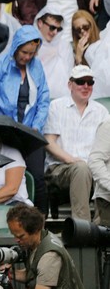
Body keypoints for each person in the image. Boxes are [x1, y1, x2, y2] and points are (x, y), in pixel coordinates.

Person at [0, 25, 50, 215]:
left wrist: (36, 127)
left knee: (38, 178)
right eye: (24, 52)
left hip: (30, 131)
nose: (27, 57)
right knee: (8, 178)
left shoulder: (36, 67)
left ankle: (42, 222)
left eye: (31, 54)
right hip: (5, 131)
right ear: (16, 47)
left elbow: (43, 98)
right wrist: (2, 124)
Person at [43, 65, 108, 221]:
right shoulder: (56, 106)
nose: (86, 86)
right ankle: (82, 228)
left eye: (90, 82)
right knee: (81, 168)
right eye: (80, 82)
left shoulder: (101, 111)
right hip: (60, 167)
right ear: (70, 84)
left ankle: (103, 225)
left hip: (92, 167)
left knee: (100, 170)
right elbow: (48, 142)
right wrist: (69, 159)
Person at [5, 204, 86, 289]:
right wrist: (10, 273)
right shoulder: (41, 238)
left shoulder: (49, 256)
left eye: (21, 236)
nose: (17, 240)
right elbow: (34, 275)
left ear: (35, 230)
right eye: (14, 235)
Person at [34, 10, 74, 100]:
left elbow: (70, 74)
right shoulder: (30, 44)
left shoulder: (65, 46)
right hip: (37, 99)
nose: (55, 32)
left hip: (63, 99)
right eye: (52, 27)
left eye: (58, 29)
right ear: (40, 23)